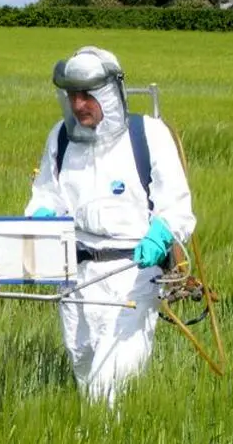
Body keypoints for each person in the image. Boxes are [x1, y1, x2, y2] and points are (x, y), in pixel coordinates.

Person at [24, 46, 195, 406]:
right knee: (84, 368)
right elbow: (46, 195)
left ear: (110, 94)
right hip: (74, 274)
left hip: (131, 272)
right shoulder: (61, 137)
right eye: (72, 95)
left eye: (87, 95)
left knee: (111, 383)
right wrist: (40, 217)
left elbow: (176, 204)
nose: (78, 104)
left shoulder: (148, 135)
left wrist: (161, 234)